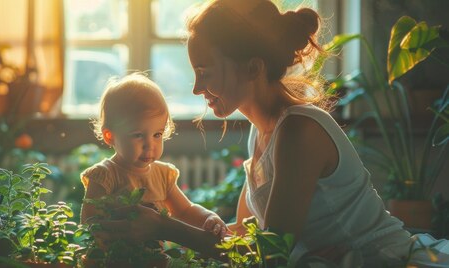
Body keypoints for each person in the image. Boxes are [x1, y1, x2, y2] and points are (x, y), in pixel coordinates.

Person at [95, 0, 449, 266]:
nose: (196, 88)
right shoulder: (261, 133)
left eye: (205, 71)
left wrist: (164, 229)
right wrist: (192, 222)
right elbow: (244, 238)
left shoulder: (298, 131)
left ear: (252, 67)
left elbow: (270, 252)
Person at [80, 72, 228, 238]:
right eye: (138, 135)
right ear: (110, 136)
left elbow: (185, 211)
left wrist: (209, 217)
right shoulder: (105, 175)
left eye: (157, 134)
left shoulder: (162, 175)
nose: (149, 145)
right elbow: (89, 223)